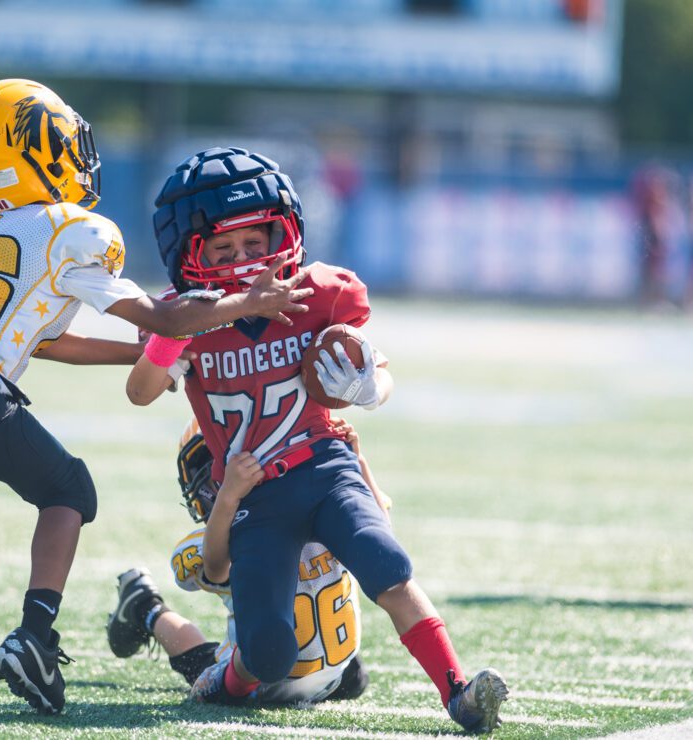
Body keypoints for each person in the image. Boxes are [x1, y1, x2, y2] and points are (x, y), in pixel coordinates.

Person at [0, 83, 312, 715]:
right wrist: (249, 301)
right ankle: (34, 636)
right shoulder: (66, 230)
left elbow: (48, 342)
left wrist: (139, 357)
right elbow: (165, 317)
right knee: (69, 491)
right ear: (32, 154)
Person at [126, 147, 509, 733]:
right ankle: (223, 680)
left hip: (325, 467)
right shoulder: (188, 318)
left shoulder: (320, 293)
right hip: (255, 494)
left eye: (254, 242)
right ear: (190, 254)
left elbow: (379, 371)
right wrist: (176, 329)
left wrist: (368, 388)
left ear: (284, 231)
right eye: (224, 250)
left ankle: (457, 692)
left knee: (388, 564)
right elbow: (141, 391)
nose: (245, 260)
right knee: (268, 651)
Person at [106, 418, 389, 704]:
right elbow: (216, 569)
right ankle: (145, 606)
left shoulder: (331, 505)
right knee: (208, 676)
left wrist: (356, 463)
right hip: (252, 672)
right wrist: (229, 499)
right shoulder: (221, 540)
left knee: (356, 679)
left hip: (332, 672)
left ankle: (144, 604)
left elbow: (378, 535)